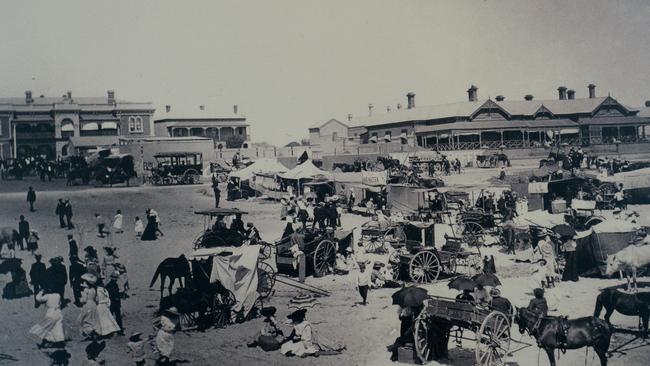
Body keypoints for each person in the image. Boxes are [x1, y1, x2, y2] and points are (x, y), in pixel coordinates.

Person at [79, 273, 121, 339]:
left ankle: (101, 332)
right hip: (102, 305)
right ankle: (110, 331)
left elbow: (95, 299)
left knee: (99, 320)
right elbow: (106, 297)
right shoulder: (101, 289)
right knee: (107, 318)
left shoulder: (93, 290)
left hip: (97, 305)